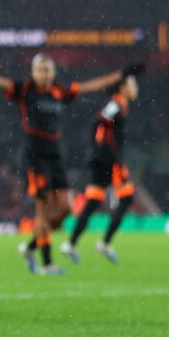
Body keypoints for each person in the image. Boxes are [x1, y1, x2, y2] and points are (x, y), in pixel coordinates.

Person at [0, 55, 134, 274]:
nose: (45, 74)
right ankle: (47, 263)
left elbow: (89, 87)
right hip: (35, 156)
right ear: (32, 72)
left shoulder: (59, 92)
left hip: (55, 155)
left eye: (48, 69)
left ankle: (31, 247)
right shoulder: (25, 90)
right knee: (43, 210)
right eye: (40, 70)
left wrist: (120, 75)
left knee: (65, 208)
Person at [63, 71, 142, 264]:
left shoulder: (120, 106)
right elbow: (97, 122)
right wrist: (100, 151)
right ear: (123, 87)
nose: (136, 88)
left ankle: (71, 244)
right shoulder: (116, 104)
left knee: (94, 201)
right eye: (132, 84)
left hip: (103, 159)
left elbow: (99, 125)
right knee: (126, 198)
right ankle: (105, 243)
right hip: (109, 160)